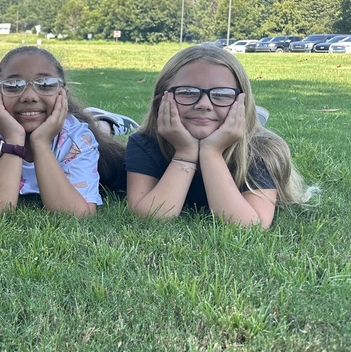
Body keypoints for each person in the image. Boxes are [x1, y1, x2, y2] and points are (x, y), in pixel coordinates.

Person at [126, 44, 313, 228]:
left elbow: (251, 226)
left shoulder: (263, 148)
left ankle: (253, 117)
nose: (204, 104)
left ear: (242, 102)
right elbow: (150, 217)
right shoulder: (144, 144)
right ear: (161, 101)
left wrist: (211, 153)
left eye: (222, 94)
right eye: (188, 92)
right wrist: (185, 152)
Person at [0, 46, 125, 217]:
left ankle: (107, 121)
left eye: (46, 84)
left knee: (99, 128)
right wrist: (13, 140)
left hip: (75, 126)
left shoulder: (77, 137)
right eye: (13, 86)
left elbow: (77, 213)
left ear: (64, 96)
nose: (29, 96)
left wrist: (41, 143)